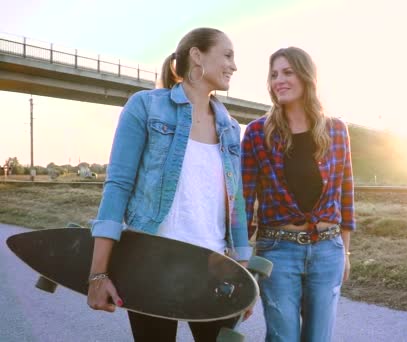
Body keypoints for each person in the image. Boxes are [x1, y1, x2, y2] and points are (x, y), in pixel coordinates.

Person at [87, 27, 252, 342]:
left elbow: (237, 204)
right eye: (228, 55)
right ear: (196, 55)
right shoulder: (146, 107)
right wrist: (98, 273)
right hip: (151, 268)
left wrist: (244, 274)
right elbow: (118, 186)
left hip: (213, 271)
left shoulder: (230, 127)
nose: (234, 65)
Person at [241, 46, 355, 342]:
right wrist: (240, 256)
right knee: (283, 338)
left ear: (306, 77)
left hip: (328, 250)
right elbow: (244, 199)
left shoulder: (337, 130)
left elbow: (345, 194)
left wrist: (345, 251)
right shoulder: (256, 133)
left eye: (287, 72)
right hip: (277, 252)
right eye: (274, 74)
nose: (279, 80)